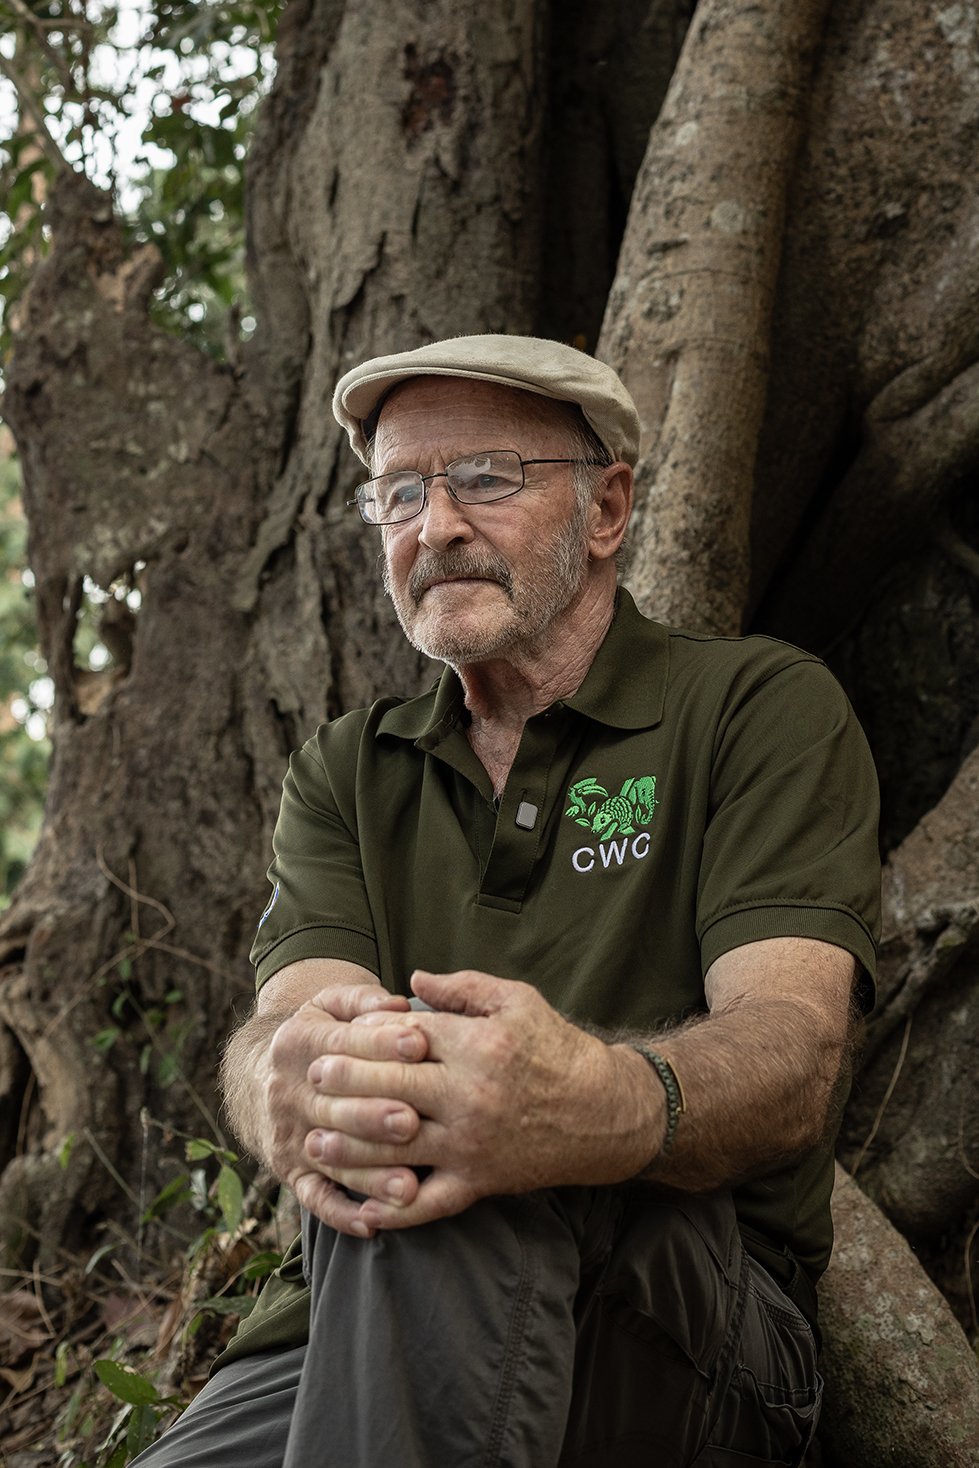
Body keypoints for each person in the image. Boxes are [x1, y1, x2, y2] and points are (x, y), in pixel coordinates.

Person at [135, 335, 880, 1467]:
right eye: (398, 494)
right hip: (333, 1322)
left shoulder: (754, 708)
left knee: (453, 1149)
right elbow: (289, 1027)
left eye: (485, 478)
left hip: (683, 1311)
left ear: (605, 512)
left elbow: (794, 1055)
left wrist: (585, 1102)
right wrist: (276, 1081)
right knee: (415, 1128)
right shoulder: (344, 770)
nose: (434, 526)